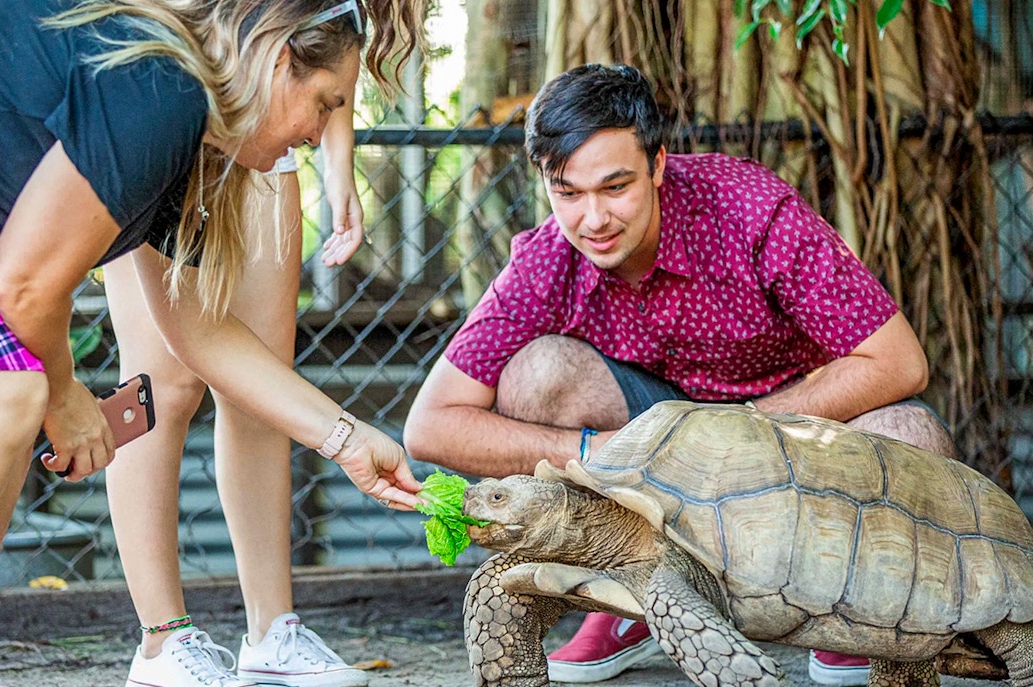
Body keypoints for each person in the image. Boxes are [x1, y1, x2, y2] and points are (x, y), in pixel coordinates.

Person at [0, 1, 425, 686]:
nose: (319, 133)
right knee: (5, 400)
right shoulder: (161, 87)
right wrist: (66, 393)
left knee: (13, 397)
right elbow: (23, 286)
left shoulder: (187, 128)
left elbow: (197, 330)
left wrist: (346, 437)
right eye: (325, 103)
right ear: (280, 60)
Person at [402, 64, 958, 687]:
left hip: (788, 445)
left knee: (912, 432)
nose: (593, 219)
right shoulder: (546, 259)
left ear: (658, 165)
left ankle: (862, 617)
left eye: (616, 187)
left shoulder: (750, 209)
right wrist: (599, 451)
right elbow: (428, 427)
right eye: (568, 192)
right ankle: (628, 597)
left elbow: (899, 361)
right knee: (537, 374)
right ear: (545, 182)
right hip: (644, 460)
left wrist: (736, 433)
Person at [103, 101, 384, 687]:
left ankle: (272, 633)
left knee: (263, 391)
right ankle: (163, 642)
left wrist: (338, 168)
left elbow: (330, 52)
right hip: (162, 149)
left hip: (266, 151)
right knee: (161, 392)